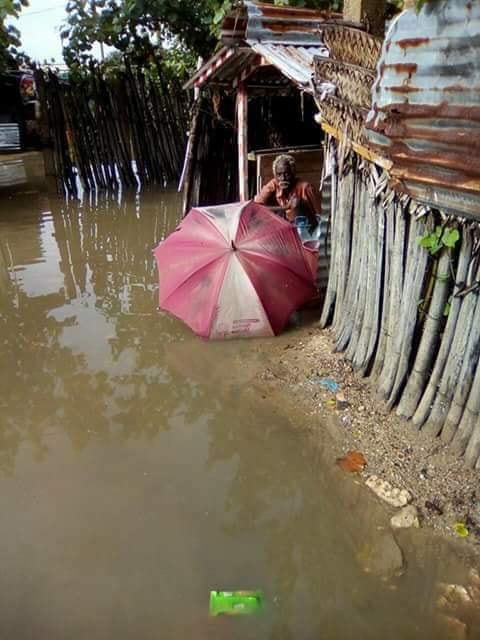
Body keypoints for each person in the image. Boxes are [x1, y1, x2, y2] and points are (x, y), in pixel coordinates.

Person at [254, 154, 322, 232]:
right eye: (279, 175)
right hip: (285, 228)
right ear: (275, 175)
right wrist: (285, 207)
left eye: (286, 174)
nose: (283, 178)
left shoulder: (306, 188)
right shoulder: (274, 184)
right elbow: (256, 207)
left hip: (306, 228)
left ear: (293, 173)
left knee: (297, 202)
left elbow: (319, 216)